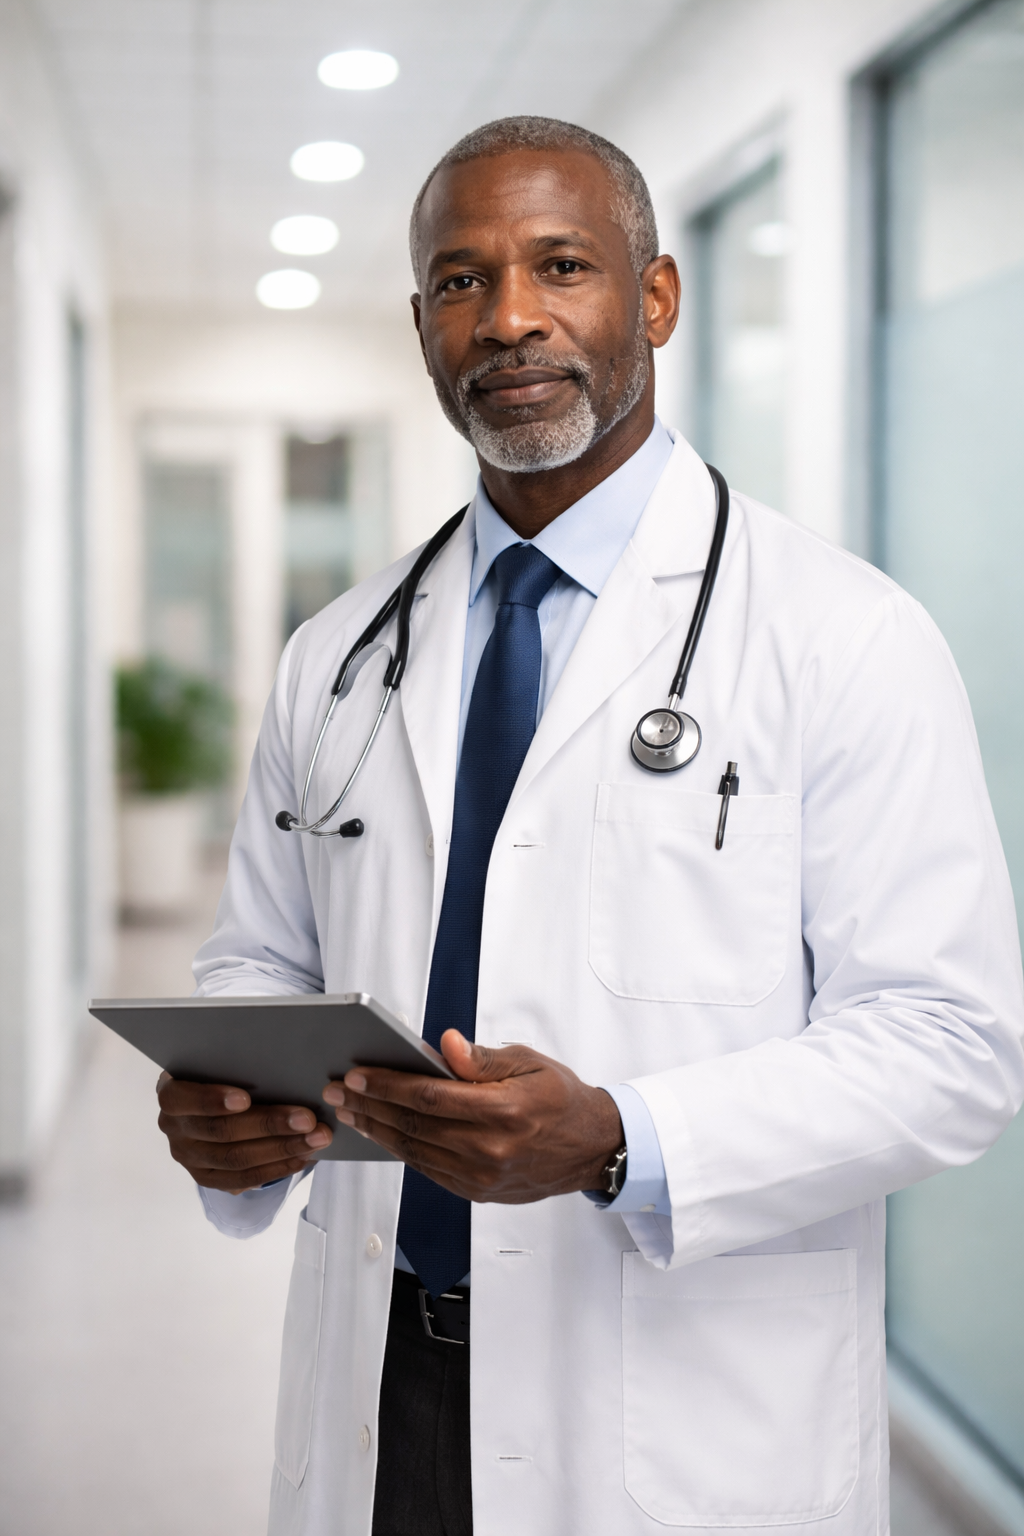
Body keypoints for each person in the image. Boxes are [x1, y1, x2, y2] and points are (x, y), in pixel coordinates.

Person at [156, 117, 1024, 1536]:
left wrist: (625, 1139)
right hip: (385, 1378)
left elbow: (953, 1044)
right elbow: (257, 957)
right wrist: (229, 1105)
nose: (509, 319)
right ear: (423, 321)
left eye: (562, 265)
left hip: (682, 1423)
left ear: (657, 297)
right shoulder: (337, 652)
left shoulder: (843, 635)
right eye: (459, 280)